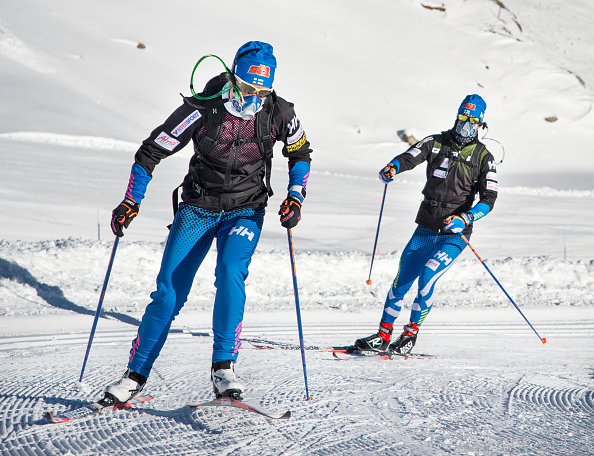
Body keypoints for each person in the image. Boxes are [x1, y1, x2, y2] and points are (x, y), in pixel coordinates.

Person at [102, 41, 312, 404]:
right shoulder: (202, 108)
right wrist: (131, 200)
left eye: (262, 91)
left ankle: (223, 366)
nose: (254, 98)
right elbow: (152, 150)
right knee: (169, 293)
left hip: (246, 209)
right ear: (234, 78)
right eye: (248, 89)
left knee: (230, 273)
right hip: (198, 207)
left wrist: (296, 195)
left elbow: (301, 153)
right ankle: (135, 374)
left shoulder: (279, 111)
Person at [353, 94, 498, 356]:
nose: (465, 124)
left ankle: (410, 334)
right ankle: (383, 335)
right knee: (401, 282)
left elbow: (489, 199)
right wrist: (393, 167)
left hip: (454, 235)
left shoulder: (483, 157)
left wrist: (466, 218)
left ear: (480, 124)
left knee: (427, 278)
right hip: (425, 228)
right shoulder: (436, 142)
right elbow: (410, 156)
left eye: (472, 120)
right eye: (462, 117)